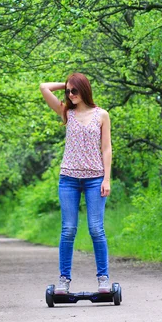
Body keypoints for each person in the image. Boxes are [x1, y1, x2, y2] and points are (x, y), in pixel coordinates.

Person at [39, 73, 112, 295]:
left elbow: (106, 148)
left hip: (95, 179)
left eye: (75, 90)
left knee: (96, 229)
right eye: (68, 92)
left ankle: (103, 279)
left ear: (85, 89)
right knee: (68, 230)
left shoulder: (102, 115)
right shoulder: (66, 112)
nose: (71, 95)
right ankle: (64, 280)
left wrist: (107, 178)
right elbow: (43, 87)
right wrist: (67, 82)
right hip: (68, 179)